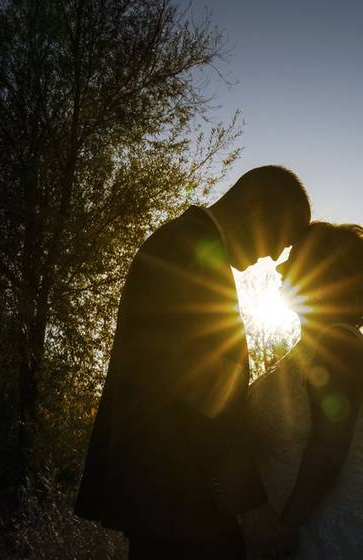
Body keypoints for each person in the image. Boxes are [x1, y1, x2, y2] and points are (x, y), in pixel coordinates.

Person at [75, 166, 310, 559]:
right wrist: (251, 506)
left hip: (170, 497)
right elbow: (207, 391)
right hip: (179, 497)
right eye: (278, 238)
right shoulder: (189, 253)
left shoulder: (186, 244)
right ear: (253, 204)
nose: (273, 256)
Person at [244, 222, 363, 558]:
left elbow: (328, 449)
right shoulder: (304, 349)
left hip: (330, 529)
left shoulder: (339, 344)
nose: (280, 267)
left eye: (295, 259)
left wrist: (285, 528)